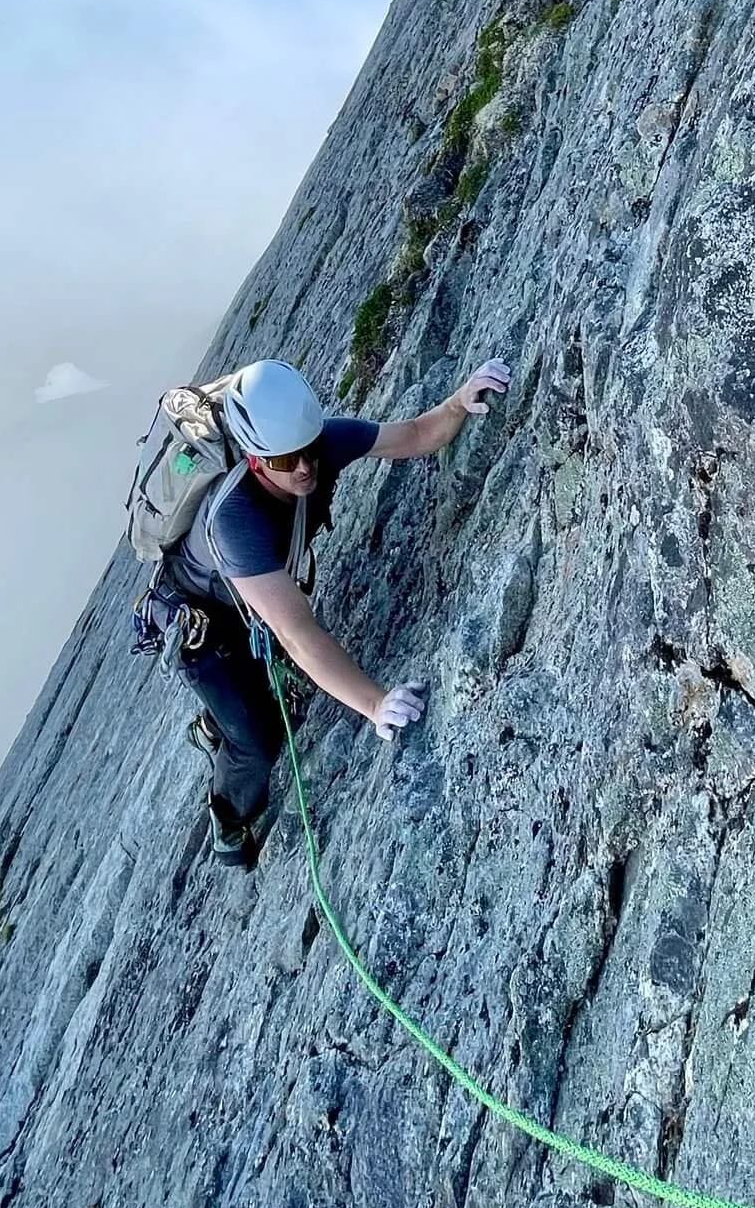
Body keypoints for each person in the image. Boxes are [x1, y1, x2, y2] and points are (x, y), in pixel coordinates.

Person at [167, 353, 513, 868]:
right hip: (204, 622)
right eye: (285, 461)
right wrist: (375, 704)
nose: (304, 468)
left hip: (255, 596)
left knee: (274, 703)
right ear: (255, 459)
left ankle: (222, 720)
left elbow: (416, 434)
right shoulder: (234, 522)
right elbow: (297, 633)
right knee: (259, 742)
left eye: (307, 451)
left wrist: (460, 401)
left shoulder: (322, 443)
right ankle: (228, 817)